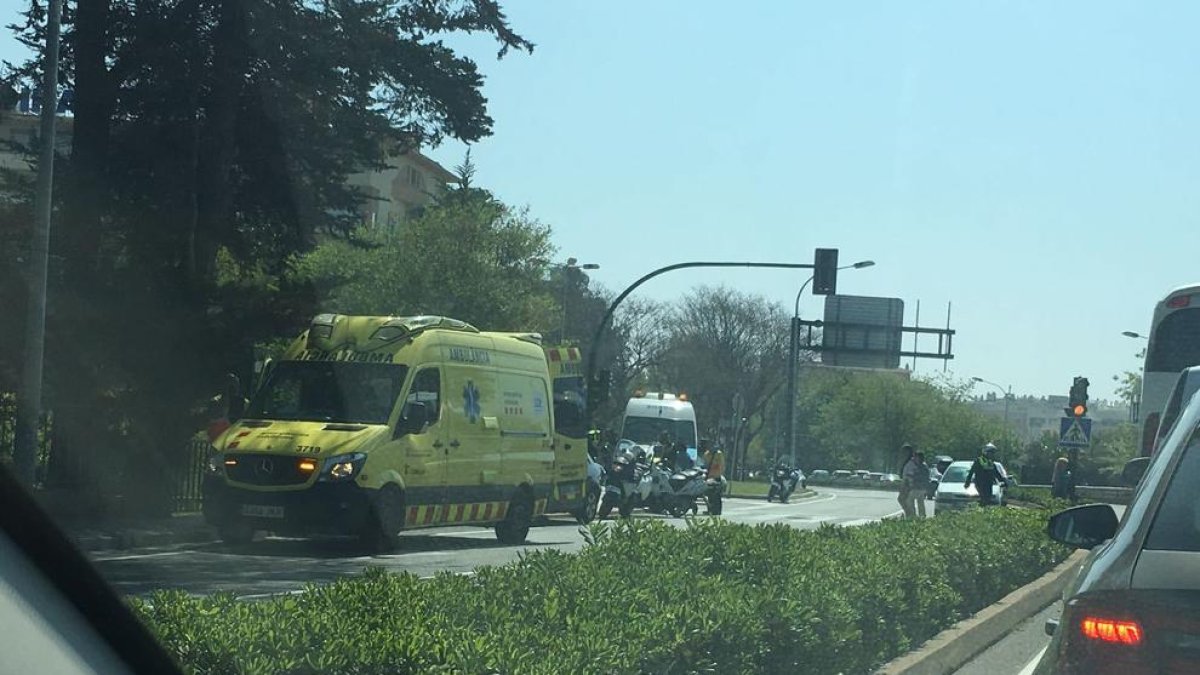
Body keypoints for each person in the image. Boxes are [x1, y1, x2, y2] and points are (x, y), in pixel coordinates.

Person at [700, 439, 725, 515]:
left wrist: (718, 473)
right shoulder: (706, 454)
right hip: (708, 477)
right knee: (710, 495)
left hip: (716, 477)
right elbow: (703, 464)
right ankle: (710, 509)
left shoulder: (718, 454)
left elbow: (721, 465)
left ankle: (717, 510)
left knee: (716, 495)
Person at [904, 451, 930, 518]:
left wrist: (909, 477)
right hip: (922, 488)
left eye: (916, 457)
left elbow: (913, 476)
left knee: (909, 500)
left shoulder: (918, 467)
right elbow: (927, 478)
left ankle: (913, 516)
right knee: (920, 502)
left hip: (916, 488)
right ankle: (922, 516)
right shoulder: (925, 466)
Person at [897, 444, 916, 517]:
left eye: (904, 451)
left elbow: (910, 473)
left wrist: (908, 483)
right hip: (905, 483)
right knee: (905, 500)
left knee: (902, 499)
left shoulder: (911, 462)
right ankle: (909, 514)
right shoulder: (906, 461)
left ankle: (910, 514)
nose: (903, 453)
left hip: (908, 484)